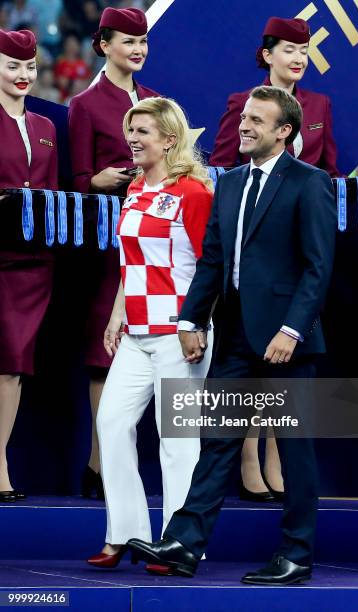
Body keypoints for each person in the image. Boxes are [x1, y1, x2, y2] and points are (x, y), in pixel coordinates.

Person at [127, 86, 337, 585]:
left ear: (284, 131)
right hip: (237, 335)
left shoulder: (311, 183)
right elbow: (213, 260)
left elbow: (317, 268)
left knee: (294, 449)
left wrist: (291, 330)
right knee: (217, 441)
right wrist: (190, 320)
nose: (244, 126)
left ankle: (297, 555)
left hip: (288, 342)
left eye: (257, 121)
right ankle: (184, 543)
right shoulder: (231, 182)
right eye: (244, 117)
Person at [210, 16, 339, 503]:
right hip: (251, 256)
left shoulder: (320, 104)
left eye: (304, 50)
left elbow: (326, 170)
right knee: (246, 364)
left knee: (283, 371)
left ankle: (271, 460)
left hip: (295, 256)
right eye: (289, 49)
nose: (298, 58)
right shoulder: (243, 107)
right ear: (267, 55)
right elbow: (226, 169)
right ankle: (247, 459)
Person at [87, 97, 214, 568]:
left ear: (170, 139)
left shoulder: (195, 193)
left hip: (179, 335)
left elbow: (211, 268)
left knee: (178, 442)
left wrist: (194, 324)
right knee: (112, 424)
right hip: (137, 332)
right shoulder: (136, 188)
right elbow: (132, 263)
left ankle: (178, 544)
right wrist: (116, 313)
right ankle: (125, 534)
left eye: (142, 131)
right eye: (131, 130)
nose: (132, 139)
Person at [68, 6, 160, 500]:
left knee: (151, 352)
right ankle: (98, 466)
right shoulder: (86, 103)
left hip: (155, 242)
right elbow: (78, 181)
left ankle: (122, 468)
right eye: (128, 41)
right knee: (107, 354)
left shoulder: (155, 102)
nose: (138, 50)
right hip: (110, 245)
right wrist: (99, 182)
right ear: (104, 46)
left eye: (143, 41)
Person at [0, 29, 58, 502]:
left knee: (13, 365)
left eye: (30, 66)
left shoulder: (46, 126)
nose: (23, 75)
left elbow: (54, 198)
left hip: (34, 262)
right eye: (13, 64)